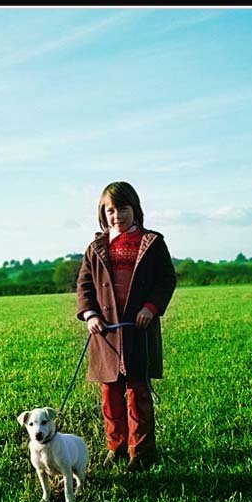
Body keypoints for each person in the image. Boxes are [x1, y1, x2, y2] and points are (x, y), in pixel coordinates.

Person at [76, 181, 177, 472]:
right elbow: (84, 285)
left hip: (139, 331)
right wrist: (90, 314)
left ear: (135, 209)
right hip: (106, 334)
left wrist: (151, 307)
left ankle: (142, 452)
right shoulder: (96, 247)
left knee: (138, 393)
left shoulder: (152, 242)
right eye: (110, 210)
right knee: (110, 396)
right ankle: (116, 447)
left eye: (122, 208)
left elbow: (166, 279)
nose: (116, 215)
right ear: (102, 214)